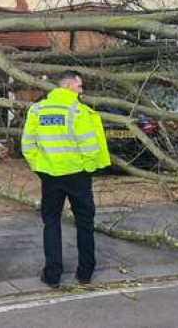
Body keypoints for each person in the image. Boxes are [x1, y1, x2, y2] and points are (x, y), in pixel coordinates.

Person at [21, 70, 110, 288]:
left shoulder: (37, 109)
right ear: (69, 86)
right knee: (85, 223)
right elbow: (89, 147)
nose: (82, 90)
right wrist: (88, 169)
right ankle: (85, 273)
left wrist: (38, 167)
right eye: (80, 86)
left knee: (51, 223)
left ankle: (52, 275)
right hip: (78, 175)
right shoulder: (78, 111)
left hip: (49, 176)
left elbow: (28, 144)